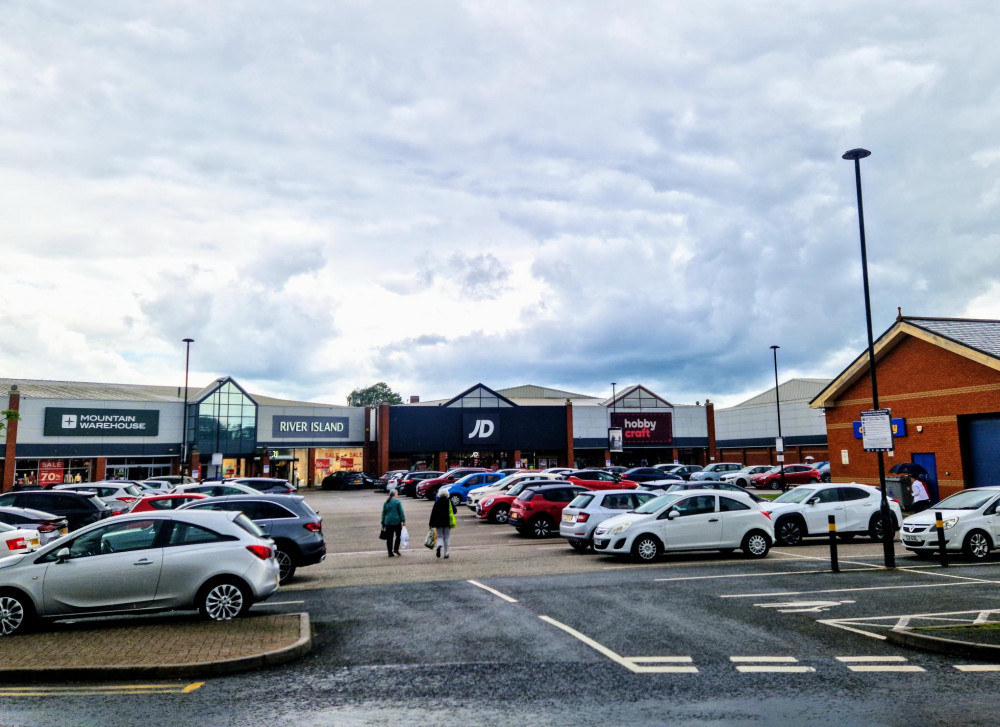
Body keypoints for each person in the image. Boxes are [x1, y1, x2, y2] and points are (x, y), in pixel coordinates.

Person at [429, 488, 455, 559]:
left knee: (440, 536)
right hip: (447, 522)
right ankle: (446, 553)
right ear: (447, 494)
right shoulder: (449, 501)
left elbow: (433, 513)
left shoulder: (437, 502)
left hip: (438, 522)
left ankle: (439, 546)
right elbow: (455, 511)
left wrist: (430, 523)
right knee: (447, 537)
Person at [381, 489, 406, 557]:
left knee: (389, 538)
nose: (397, 495)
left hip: (388, 522)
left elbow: (383, 513)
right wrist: (403, 520)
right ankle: (396, 549)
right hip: (396, 521)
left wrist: (382, 522)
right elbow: (401, 512)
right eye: (397, 494)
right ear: (395, 494)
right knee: (398, 536)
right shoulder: (397, 501)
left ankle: (390, 552)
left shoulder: (386, 502)